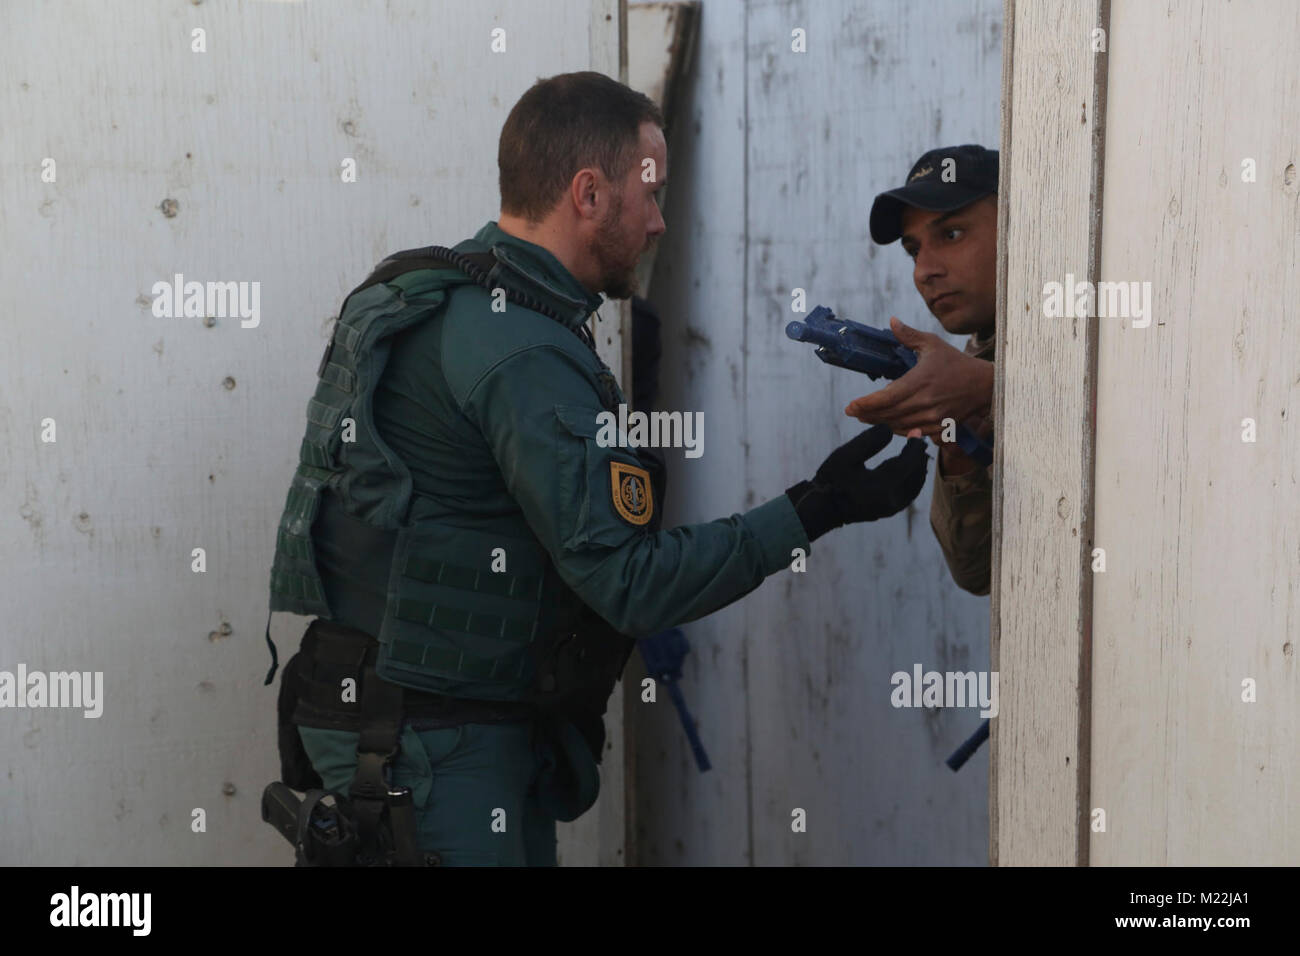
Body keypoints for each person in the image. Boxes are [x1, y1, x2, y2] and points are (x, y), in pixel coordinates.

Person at [265, 71, 930, 866]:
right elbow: (631, 583)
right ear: (588, 194)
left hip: (401, 721)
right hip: (430, 747)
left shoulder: (462, 295)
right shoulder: (521, 351)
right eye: (648, 195)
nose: (656, 223)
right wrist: (816, 507)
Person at [845, 145, 998, 596]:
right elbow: (976, 574)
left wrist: (992, 389)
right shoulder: (976, 352)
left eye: (951, 234)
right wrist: (960, 457)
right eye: (913, 251)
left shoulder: (1090, 321)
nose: (925, 271)